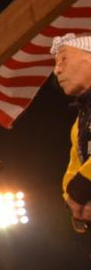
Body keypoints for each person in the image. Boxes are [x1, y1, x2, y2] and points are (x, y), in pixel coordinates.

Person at [53, 33, 91, 227]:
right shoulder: (79, 122)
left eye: (64, 59)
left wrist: (82, 187)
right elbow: (74, 165)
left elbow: (81, 177)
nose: (56, 70)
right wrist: (72, 199)